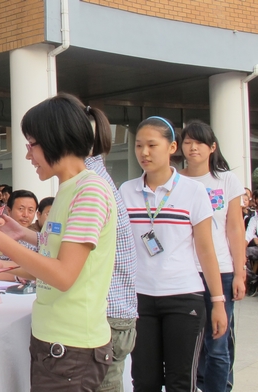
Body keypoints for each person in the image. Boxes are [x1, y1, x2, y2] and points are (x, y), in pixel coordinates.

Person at [0, 93, 117, 391]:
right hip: (56, 342)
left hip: (71, 347)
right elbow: (53, 257)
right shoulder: (69, 189)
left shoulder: (90, 192)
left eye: (31, 144)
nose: (28, 155)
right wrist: (19, 242)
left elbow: (63, 275)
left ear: (56, 139)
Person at [119, 116, 227, 391]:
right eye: (139, 145)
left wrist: (218, 302)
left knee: (181, 382)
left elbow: (205, 249)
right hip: (139, 299)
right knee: (144, 381)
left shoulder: (193, 191)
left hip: (183, 297)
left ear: (172, 147)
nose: (144, 152)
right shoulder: (126, 191)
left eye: (152, 145)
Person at [75, 102, 138, 392]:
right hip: (112, 313)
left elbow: (68, 263)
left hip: (107, 316)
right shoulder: (92, 180)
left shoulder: (91, 185)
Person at [179, 120, 246, 392]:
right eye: (187, 142)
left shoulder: (226, 180)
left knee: (218, 343)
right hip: (184, 272)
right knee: (190, 344)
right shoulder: (175, 179)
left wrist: (240, 274)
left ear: (212, 147)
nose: (193, 147)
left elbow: (234, 227)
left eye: (200, 142)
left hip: (220, 270)